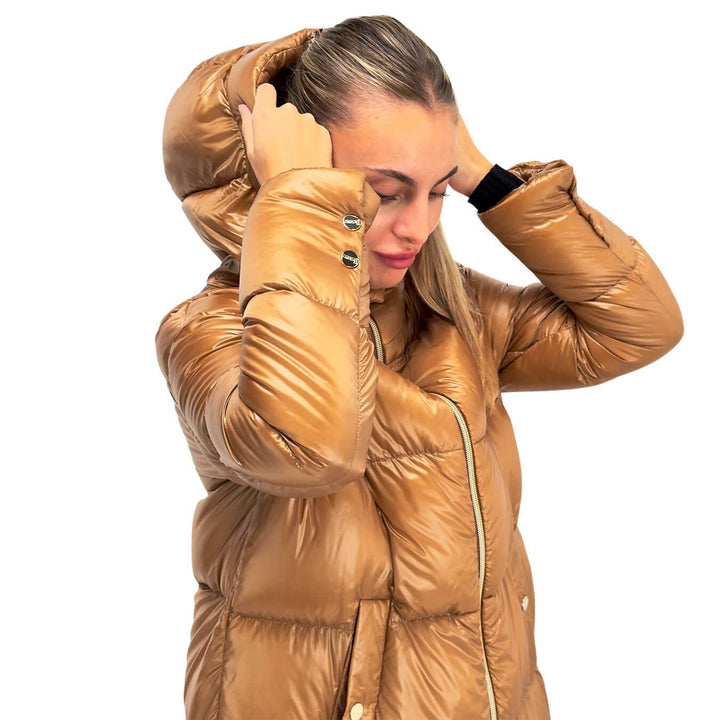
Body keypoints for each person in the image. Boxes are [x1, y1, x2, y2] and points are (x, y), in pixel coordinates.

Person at [157, 15, 683, 720]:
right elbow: (308, 449)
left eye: (437, 190)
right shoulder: (211, 331)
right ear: (279, 180)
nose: (419, 226)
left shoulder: (451, 313)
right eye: (383, 190)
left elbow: (638, 325)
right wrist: (302, 207)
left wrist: (486, 180)